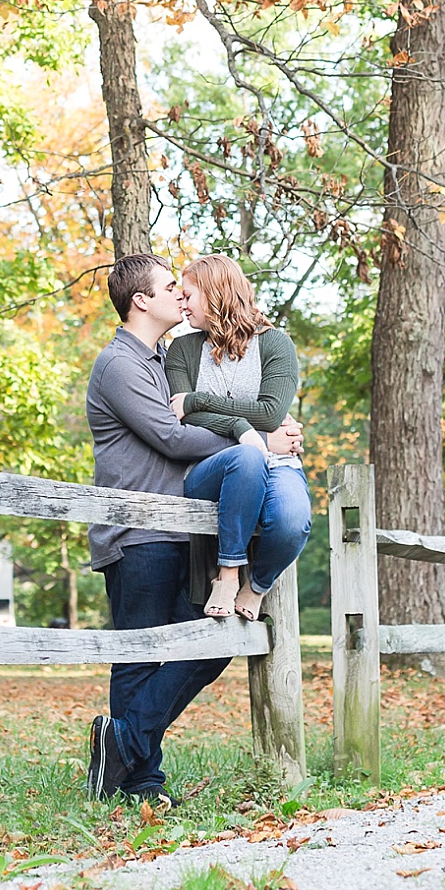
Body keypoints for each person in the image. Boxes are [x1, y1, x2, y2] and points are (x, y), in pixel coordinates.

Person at [84, 253, 300, 803]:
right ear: (142, 301)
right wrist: (256, 439)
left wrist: (247, 428)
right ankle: (142, 783)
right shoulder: (121, 365)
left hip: (181, 527)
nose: (180, 296)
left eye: (184, 289)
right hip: (138, 528)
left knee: (207, 645)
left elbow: (201, 416)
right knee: (140, 655)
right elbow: (172, 437)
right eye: (168, 288)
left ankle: (124, 745)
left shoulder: (162, 359)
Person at [165, 255, 312, 622]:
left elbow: (270, 414)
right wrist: (243, 429)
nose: (181, 304)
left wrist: (199, 400)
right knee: (247, 458)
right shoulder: (182, 350)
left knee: (292, 521)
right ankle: (227, 573)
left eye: (188, 295)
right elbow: (182, 418)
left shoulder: (276, 345)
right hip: (210, 469)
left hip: (278, 461)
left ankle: (257, 585)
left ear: (216, 293)